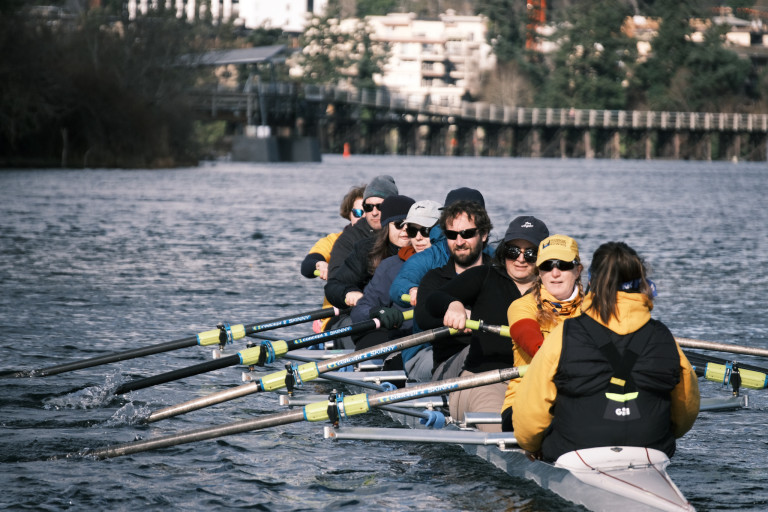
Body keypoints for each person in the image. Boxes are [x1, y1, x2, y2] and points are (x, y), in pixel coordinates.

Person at [512, 242, 700, 462]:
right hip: (651, 450)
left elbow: (530, 413)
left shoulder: (565, 334)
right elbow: (686, 409)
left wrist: (531, 445)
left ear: (591, 281)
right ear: (642, 283)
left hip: (575, 450)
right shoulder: (663, 336)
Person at [420, 216, 550, 432]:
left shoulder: (553, 288)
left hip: (537, 383)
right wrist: (453, 305)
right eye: (512, 251)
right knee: (510, 434)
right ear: (503, 250)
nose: (520, 259)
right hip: (484, 380)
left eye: (530, 253)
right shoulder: (484, 276)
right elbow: (433, 300)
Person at [500, 234, 585, 432]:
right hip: (525, 400)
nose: (555, 273)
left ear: (577, 270)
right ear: (539, 272)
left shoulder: (596, 307)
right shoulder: (522, 306)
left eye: (563, 265)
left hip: (582, 397)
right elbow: (535, 347)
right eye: (547, 266)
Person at [412, 199, 493, 381]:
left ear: (484, 234)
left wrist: (476, 316)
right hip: (448, 367)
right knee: (476, 351)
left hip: (499, 363)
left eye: (467, 233)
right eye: (452, 234)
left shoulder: (499, 274)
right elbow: (423, 317)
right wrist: (453, 311)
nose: (459, 241)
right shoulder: (435, 278)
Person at [350, 200, 441, 352]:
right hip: (403, 342)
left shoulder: (459, 264)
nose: (418, 237)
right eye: (412, 231)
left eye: (426, 230)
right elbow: (360, 311)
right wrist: (377, 311)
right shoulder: (390, 267)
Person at [389, 187, 487, 308]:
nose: (460, 241)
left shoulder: (495, 257)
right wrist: (412, 290)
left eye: (467, 233)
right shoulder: (429, 257)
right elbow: (400, 283)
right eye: (453, 213)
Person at [324, 194, 415, 318]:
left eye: (410, 225)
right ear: (387, 226)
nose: (405, 230)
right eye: (399, 224)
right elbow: (334, 286)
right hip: (370, 315)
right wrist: (349, 293)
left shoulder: (425, 250)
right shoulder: (367, 250)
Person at [300, 184, 366, 333]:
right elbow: (307, 266)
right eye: (357, 212)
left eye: (366, 212)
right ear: (349, 214)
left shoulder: (387, 242)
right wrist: (321, 265)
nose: (362, 217)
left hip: (372, 311)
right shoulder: (334, 241)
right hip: (337, 316)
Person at [327, 175, 398, 283]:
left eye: (380, 206)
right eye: (368, 207)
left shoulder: (410, 231)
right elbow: (335, 280)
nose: (374, 213)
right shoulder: (349, 238)